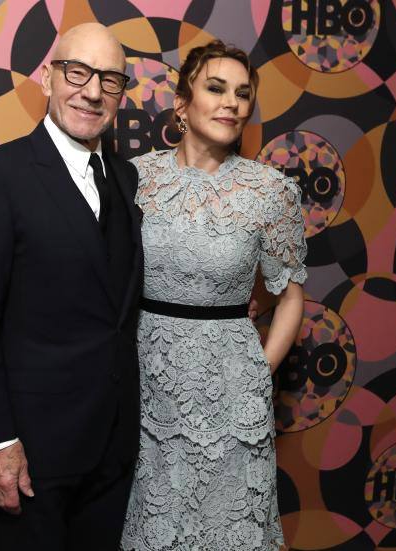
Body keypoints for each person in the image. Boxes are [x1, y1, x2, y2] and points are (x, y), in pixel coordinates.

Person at [0, 23, 143, 551]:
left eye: (110, 79)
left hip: (115, 448)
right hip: (32, 453)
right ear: (47, 77)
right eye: (77, 72)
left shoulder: (130, 181)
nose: (92, 90)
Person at [120, 40, 307, 550]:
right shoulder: (132, 179)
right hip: (142, 384)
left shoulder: (270, 191)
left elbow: (290, 296)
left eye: (243, 94)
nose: (232, 103)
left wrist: (257, 370)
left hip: (231, 392)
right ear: (182, 103)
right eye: (216, 88)